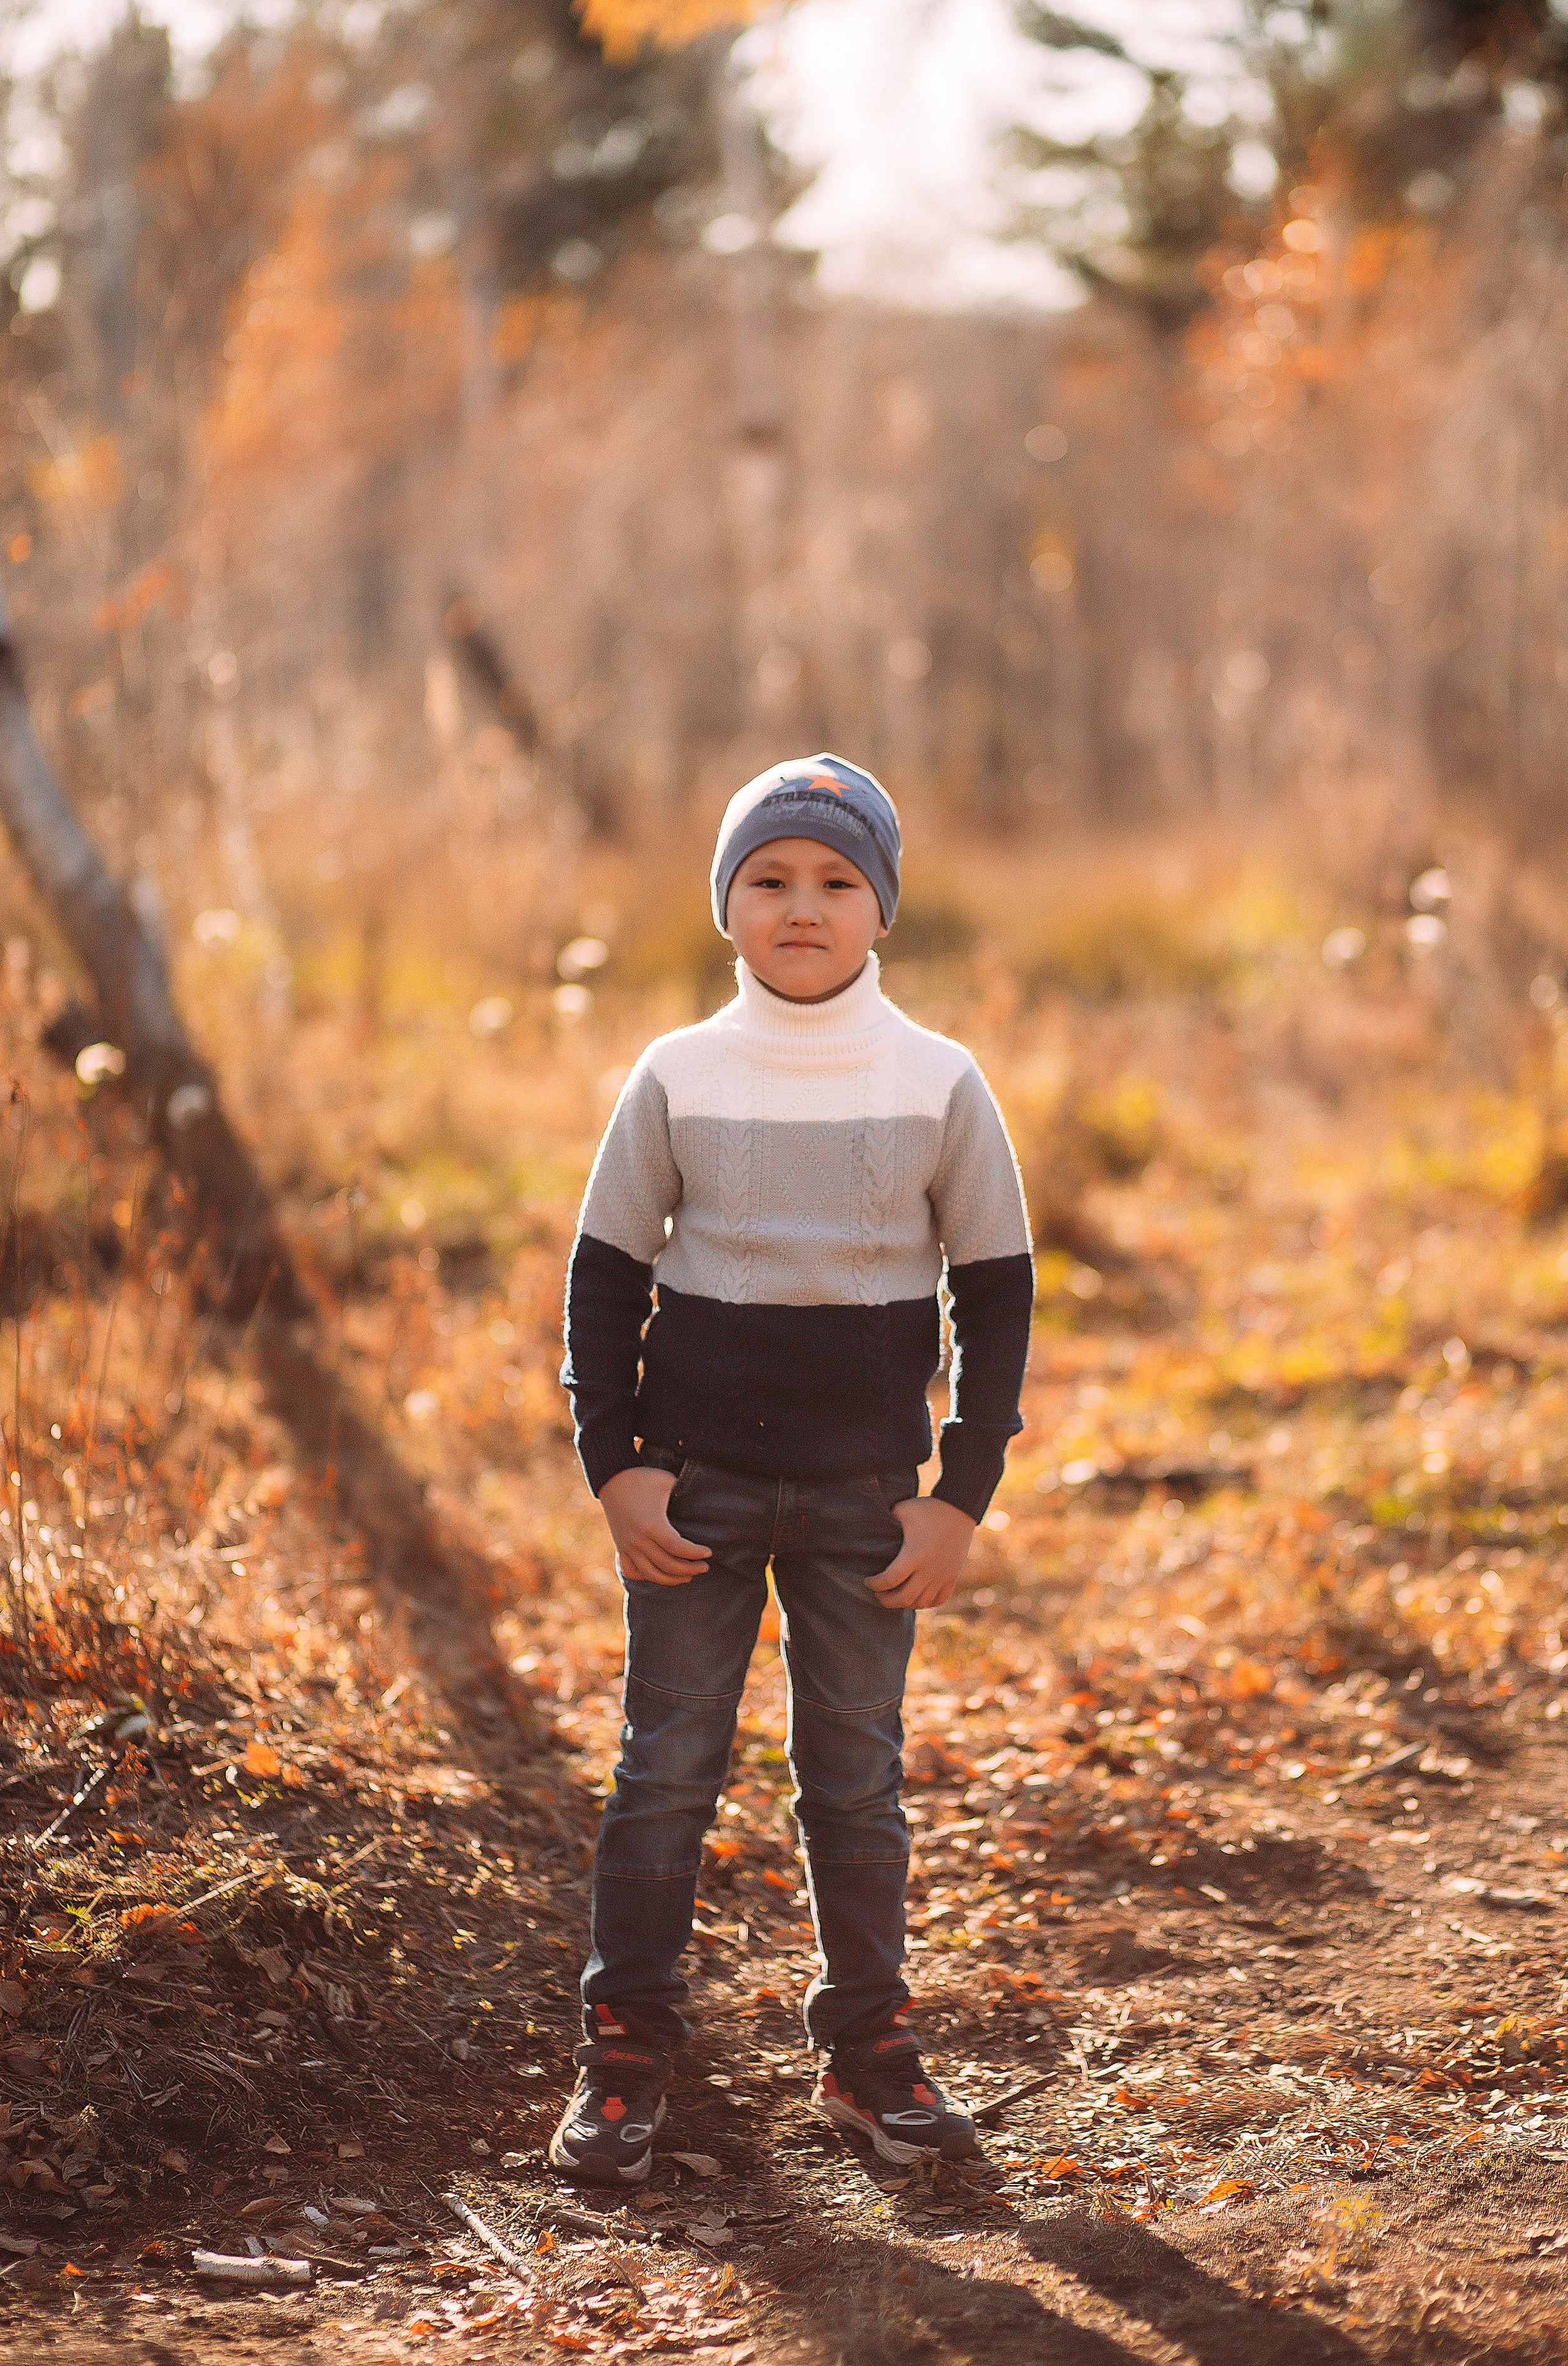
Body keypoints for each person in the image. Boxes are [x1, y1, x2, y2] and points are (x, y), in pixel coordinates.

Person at [549, 757, 1033, 2186]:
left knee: (854, 1778)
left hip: (867, 1501)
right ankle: (627, 2054)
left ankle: (867, 2052)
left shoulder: (938, 1080)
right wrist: (612, 1469)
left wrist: (960, 1495)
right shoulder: (676, 1075)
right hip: (691, 1493)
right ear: (726, 906)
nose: (801, 908)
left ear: (879, 905)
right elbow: (600, 1281)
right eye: (769, 879)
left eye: (834, 882)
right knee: (665, 1769)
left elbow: (995, 1295)